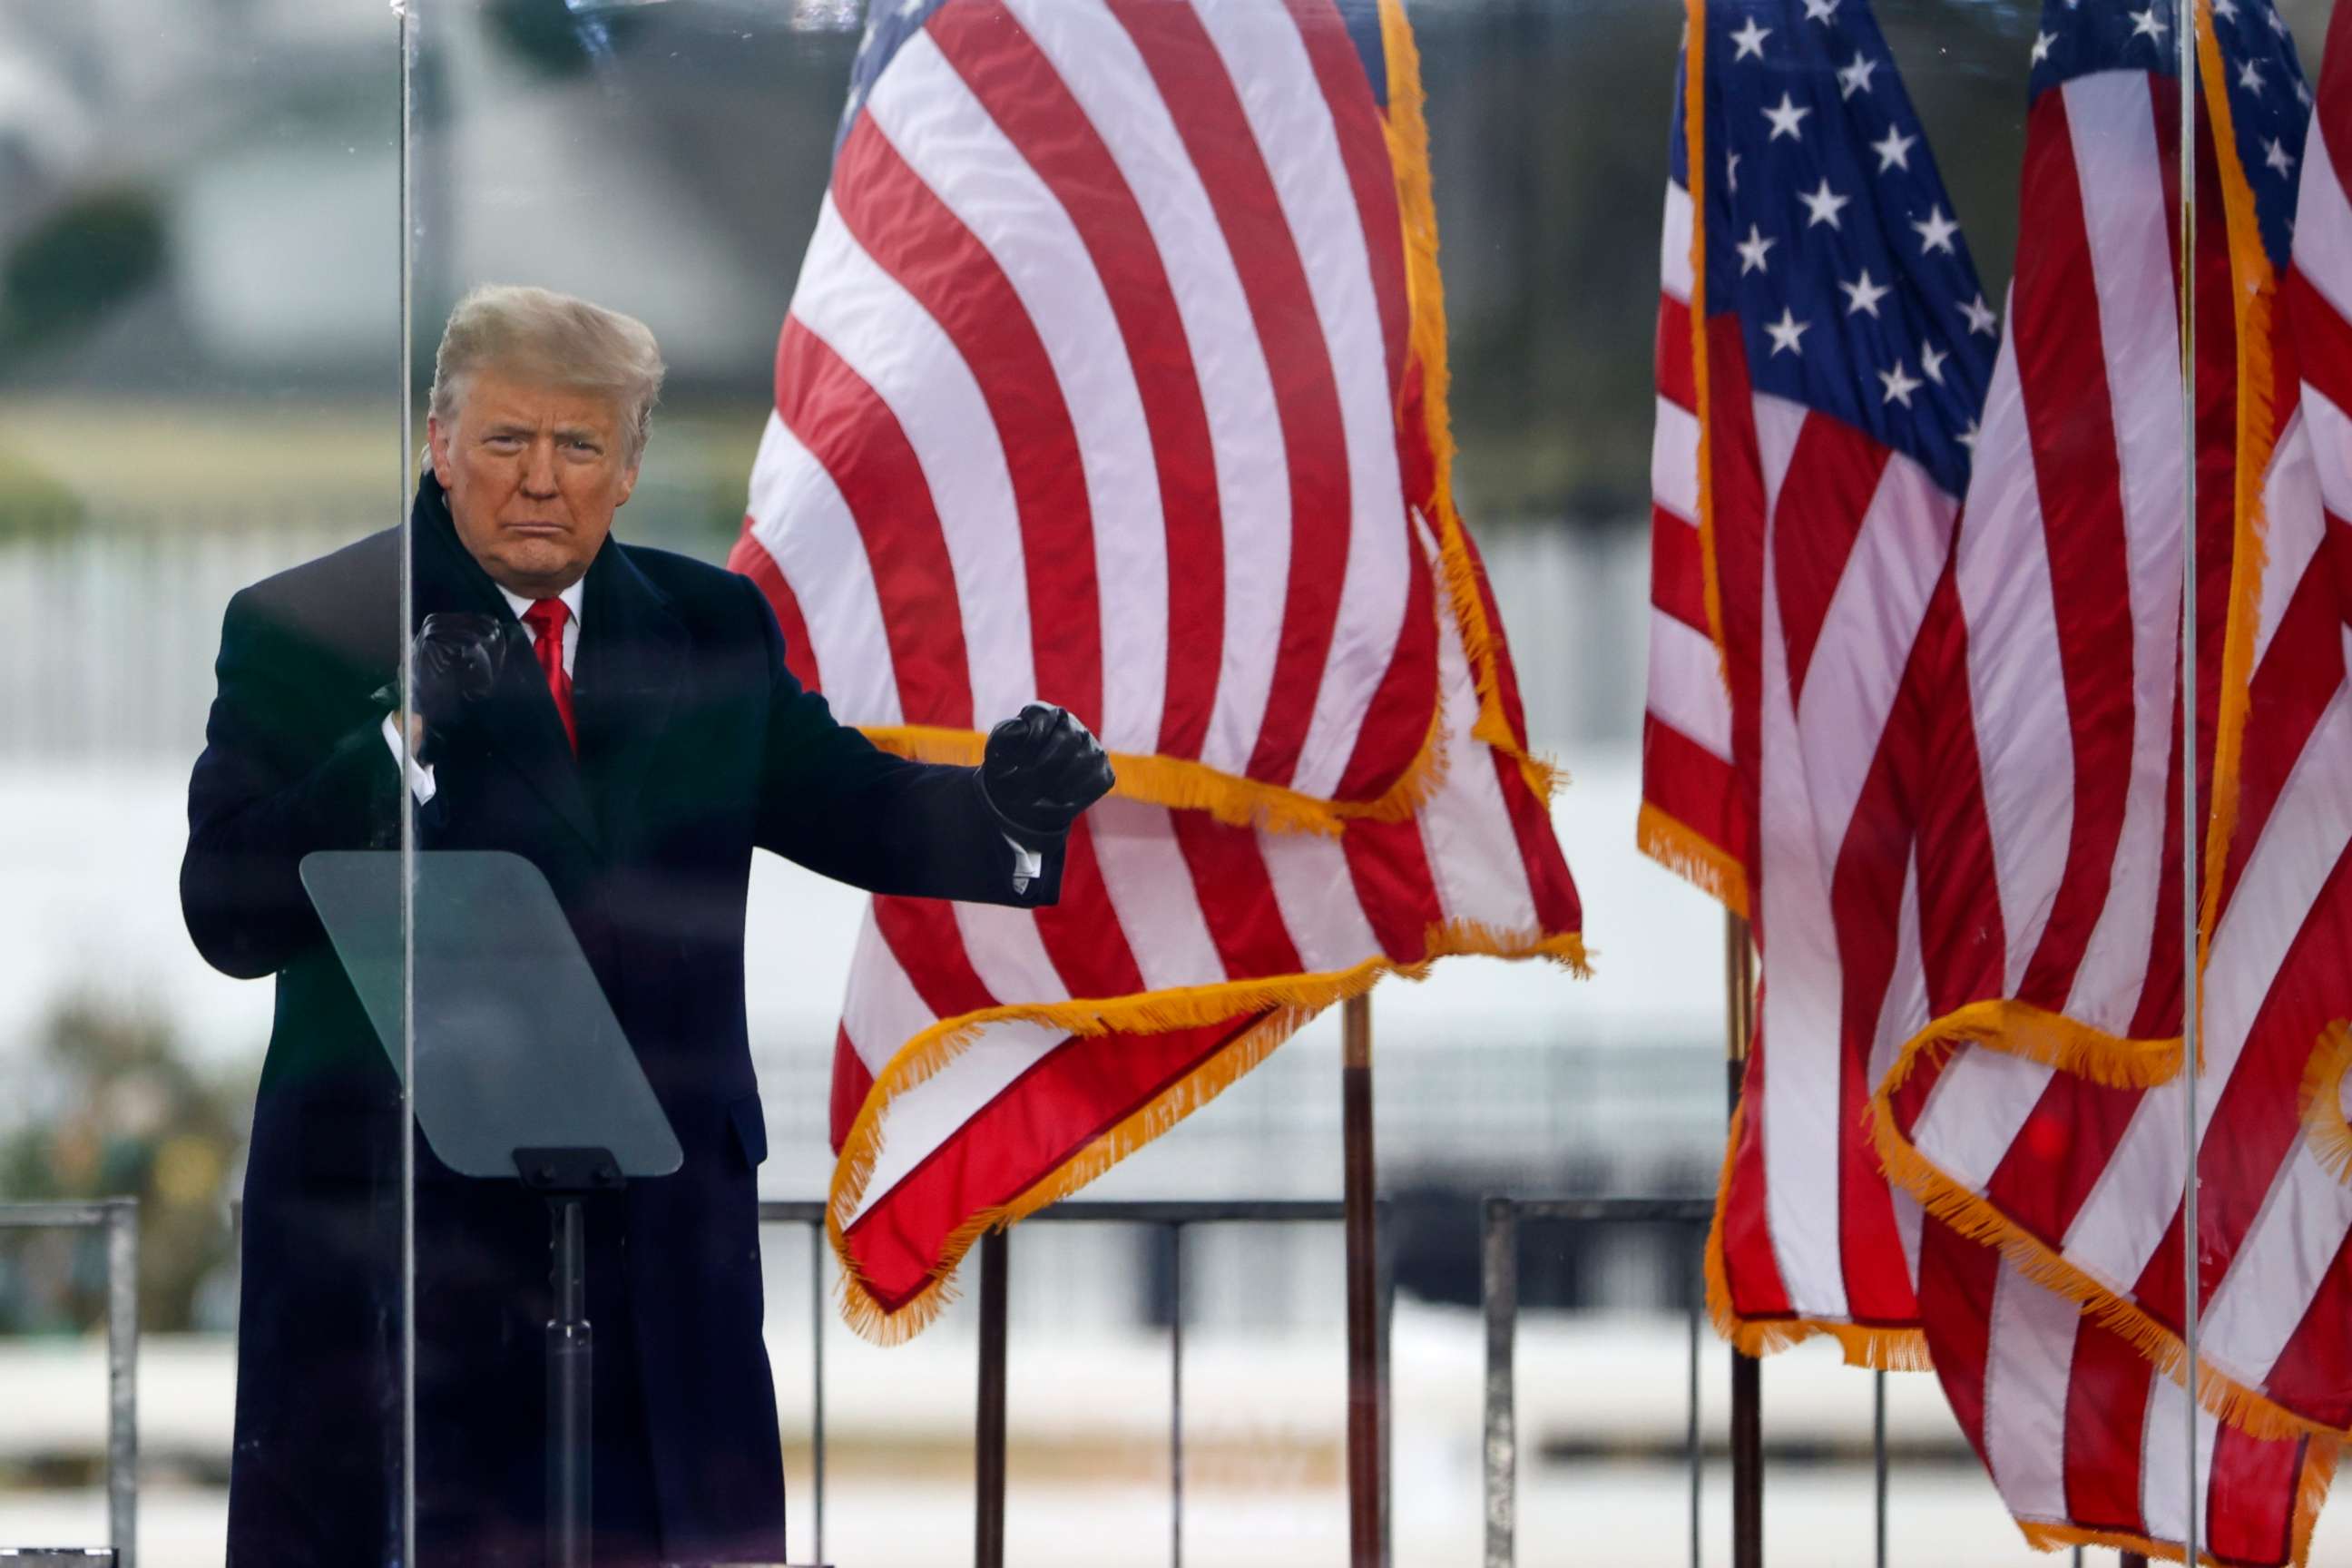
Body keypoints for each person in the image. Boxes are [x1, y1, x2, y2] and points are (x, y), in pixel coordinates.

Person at [181, 283, 1113, 1565]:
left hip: (657, 1229)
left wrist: (1005, 810)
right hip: (406, 1257)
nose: (540, 481)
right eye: (506, 442)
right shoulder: (314, 626)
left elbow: (844, 801)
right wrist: (397, 743)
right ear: (439, 444)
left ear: (629, 469)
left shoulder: (711, 625)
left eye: (580, 447)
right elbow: (227, 912)